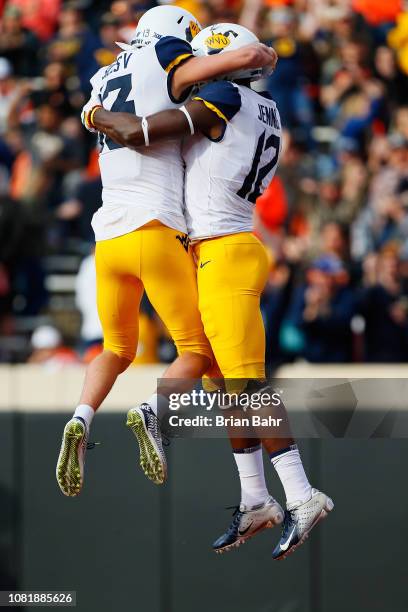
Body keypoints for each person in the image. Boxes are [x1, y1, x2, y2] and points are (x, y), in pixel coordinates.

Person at [92, 22, 333, 560]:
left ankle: (302, 493)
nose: (192, 74)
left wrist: (95, 111)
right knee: (228, 387)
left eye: (202, 63)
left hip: (224, 249)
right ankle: (255, 500)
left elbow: (140, 132)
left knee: (247, 387)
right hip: (222, 246)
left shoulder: (224, 95)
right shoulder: (256, 102)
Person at [56, 5, 276, 498]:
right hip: (158, 230)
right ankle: (153, 413)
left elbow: (101, 116)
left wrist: (93, 113)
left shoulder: (100, 77)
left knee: (116, 348)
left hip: (106, 238)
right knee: (198, 350)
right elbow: (207, 67)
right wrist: (255, 53)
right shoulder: (166, 54)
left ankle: (81, 418)